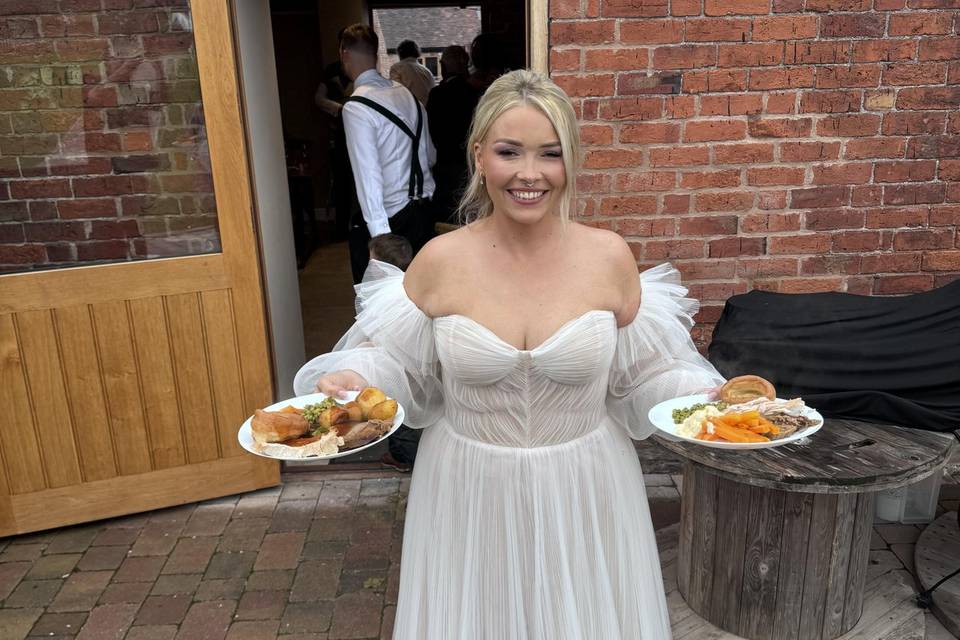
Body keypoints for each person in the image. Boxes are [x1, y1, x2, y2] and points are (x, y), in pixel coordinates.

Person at [294, 70, 723, 638]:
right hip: (468, 485)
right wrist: (353, 375)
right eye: (509, 151)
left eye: (550, 153)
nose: (529, 174)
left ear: (571, 160)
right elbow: (395, 361)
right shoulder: (441, 260)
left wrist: (706, 398)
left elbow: (647, 371)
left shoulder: (608, 258)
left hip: (587, 484)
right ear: (479, 156)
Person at [339, 24, 437, 284]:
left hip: (390, 222)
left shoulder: (356, 107)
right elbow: (430, 157)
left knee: (379, 311)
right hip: (424, 212)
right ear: (375, 54)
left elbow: (367, 176)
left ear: (344, 54)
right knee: (420, 298)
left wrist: (380, 239)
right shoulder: (408, 95)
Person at [365, 234, 421, 472]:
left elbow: (373, 335)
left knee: (397, 413)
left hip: (394, 365)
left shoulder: (384, 296)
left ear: (377, 265)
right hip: (415, 366)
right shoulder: (414, 287)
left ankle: (403, 458)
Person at [426, 45, 480, 224]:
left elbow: (431, 131)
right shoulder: (476, 93)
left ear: (444, 65)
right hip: (471, 162)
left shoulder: (437, 94)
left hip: (445, 162)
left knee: (447, 216)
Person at [388, 39, 436, 106]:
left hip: (411, 112)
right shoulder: (427, 71)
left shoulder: (397, 68)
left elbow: (396, 95)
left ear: (400, 53)